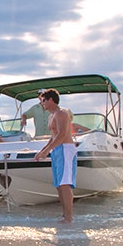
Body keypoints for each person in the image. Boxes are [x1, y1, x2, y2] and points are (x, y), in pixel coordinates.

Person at [33, 89, 77, 223]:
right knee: (59, 185)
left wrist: (48, 151)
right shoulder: (50, 116)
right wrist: (43, 150)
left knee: (65, 184)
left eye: (43, 101)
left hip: (65, 149)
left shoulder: (62, 113)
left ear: (51, 100)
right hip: (57, 149)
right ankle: (64, 215)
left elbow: (62, 134)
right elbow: (53, 137)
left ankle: (69, 217)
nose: (42, 104)